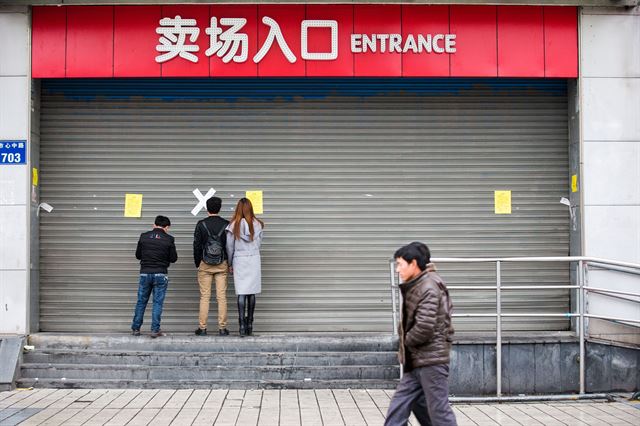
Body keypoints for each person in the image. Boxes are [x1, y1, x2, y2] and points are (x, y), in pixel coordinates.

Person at [384, 242, 457, 426]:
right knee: (401, 406)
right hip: (417, 360)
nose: (397, 270)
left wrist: (406, 342)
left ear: (413, 263)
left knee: (439, 412)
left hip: (430, 361)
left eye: (400, 264)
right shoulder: (419, 284)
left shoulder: (428, 286)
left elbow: (424, 326)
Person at [131, 215, 178, 338]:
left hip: (145, 273)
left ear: (154, 225)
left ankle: (136, 328)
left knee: (141, 301)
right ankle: (154, 330)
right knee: (157, 303)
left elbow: (138, 255)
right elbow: (173, 259)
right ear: (166, 227)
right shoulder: (169, 239)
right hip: (160, 274)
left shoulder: (144, 236)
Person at [226, 198, 264, 337]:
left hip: (239, 260)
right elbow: (259, 243)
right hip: (253, 258)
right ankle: (250, 325)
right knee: (252, 292)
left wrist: (230, 264)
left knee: (241, 292)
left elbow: (229, 247)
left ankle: (241, 326)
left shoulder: (233, 225)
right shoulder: (258, 224)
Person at [193, 196, 230, 336]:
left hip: (205, 264)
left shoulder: (201, 224)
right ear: (219, 208)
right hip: (222, 264)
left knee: (205, 297)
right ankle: (222, 328)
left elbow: (196, 245)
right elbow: (229, 246)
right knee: (221, 297)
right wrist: (228, 262)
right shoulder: (227, 224)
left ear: (206, 208)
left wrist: (198, 262)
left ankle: (202, 328)